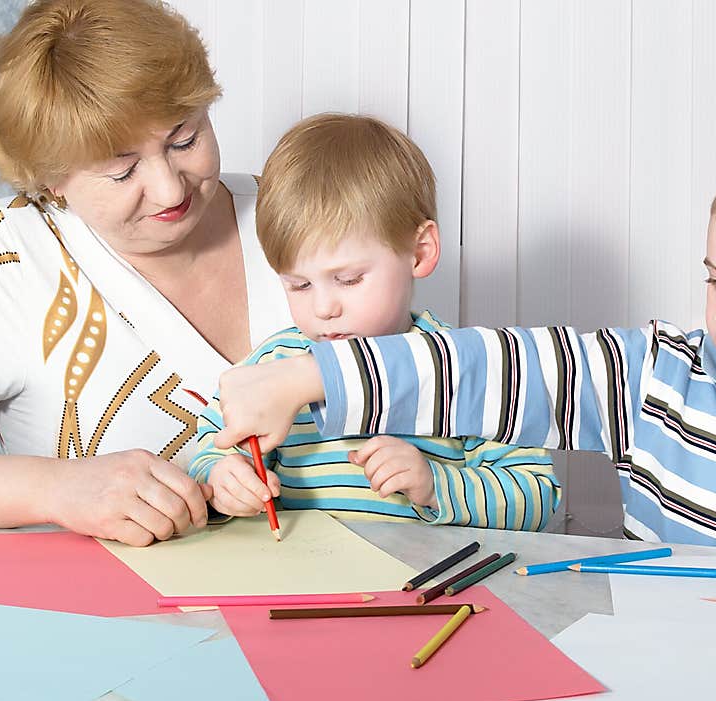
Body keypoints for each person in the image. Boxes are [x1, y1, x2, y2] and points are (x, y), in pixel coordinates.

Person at [213, 141, 716, 555]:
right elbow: (487, 370)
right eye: (714, 281)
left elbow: (530, 490)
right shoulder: (657, 374)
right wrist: (304, 376)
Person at [0, 0, 292, 546]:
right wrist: (54, 489)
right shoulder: (8, 256)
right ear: (49, 182)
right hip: (104, 621)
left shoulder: (297, 213)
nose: (170, 189)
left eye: (184, 139)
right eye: (121, 171)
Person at [190, 113, 561, 530]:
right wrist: (224, 479)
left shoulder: (467, 369)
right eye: (298, 285)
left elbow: (536, 496)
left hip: (420, 588)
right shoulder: (275, 364)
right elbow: (209, 451)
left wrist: (436, 484)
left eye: (347, 279)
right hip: (298, 586)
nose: (324, 308)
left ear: (419, 252)